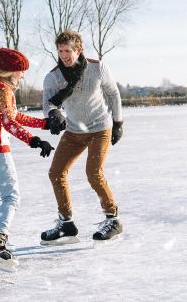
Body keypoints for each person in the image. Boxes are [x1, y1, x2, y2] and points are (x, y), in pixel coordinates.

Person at [0, 48, 55, 269]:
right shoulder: (4, 90)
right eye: (21, 71)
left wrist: (44, 124)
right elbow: (9, 123)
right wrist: (34, 140)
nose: (23, 76)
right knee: (12, 197)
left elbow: (14, 116)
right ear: (9, 71)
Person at [40, 30, 125, 246]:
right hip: (74, 131)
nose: (63, 55)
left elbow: (113, 94)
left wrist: (118, 123)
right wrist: (53, 113)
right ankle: (67, 224)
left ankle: (113, 220)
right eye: (60, 51)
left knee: (94, 173)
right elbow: (48, 103)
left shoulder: (98, 68)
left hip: (100, 128)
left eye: (67, 51)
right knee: (56, 173)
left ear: (78, 50)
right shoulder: (54, 76)